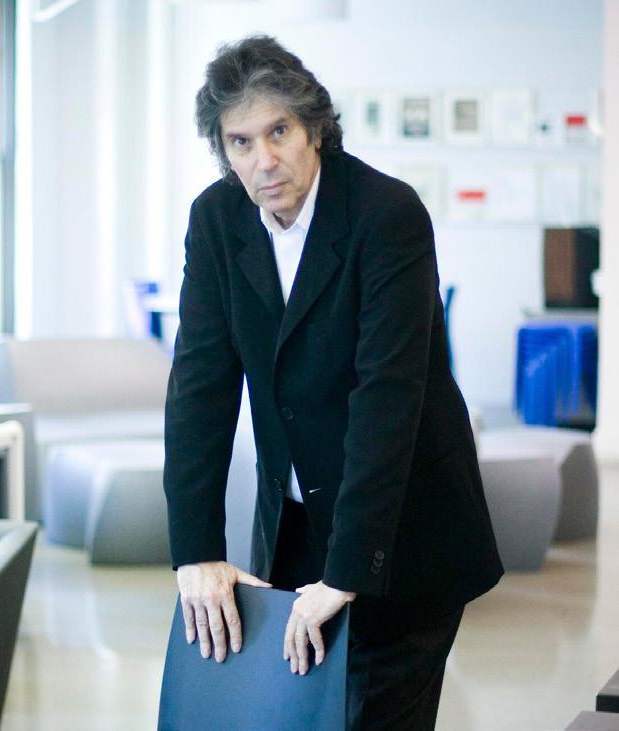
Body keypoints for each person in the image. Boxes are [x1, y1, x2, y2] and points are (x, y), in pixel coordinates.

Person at [163, 35, 503, 730]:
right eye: (240, 142)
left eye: (279, 132)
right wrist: (196, 551)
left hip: (401, 529)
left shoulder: (386, 214)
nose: (264, 160)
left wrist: (347, 572)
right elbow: (199, 386)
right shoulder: (217, 220)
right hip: (294, 527)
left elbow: (388, 400)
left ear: (314, 128)